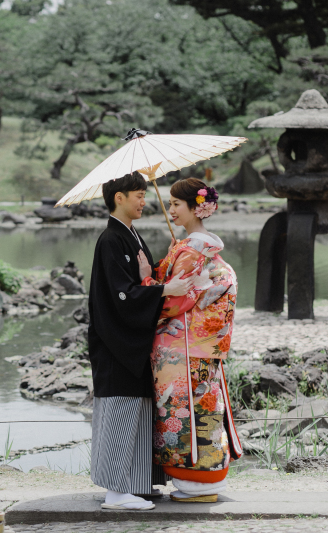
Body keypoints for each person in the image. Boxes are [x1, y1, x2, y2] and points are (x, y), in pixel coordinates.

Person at [88, 171, 194, 511]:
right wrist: (164, 289)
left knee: (138, 410)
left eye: (145, 195)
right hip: (116, 341)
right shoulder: (111, 240)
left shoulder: (129, 235)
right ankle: (115, 492)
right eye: (138, 195)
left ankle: (135, 485)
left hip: (131, 340)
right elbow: (123, 295)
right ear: (118, 197)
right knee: (121, 409)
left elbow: (141, 280)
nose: (144, 201)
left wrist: (167, 265)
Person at [138, 178, 243, 503]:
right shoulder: (200, 247)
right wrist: (172, 257)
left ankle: (195, 481)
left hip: (181, 352)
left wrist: (146, 279)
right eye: (169, 204)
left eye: (176, 204)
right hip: (201, 349)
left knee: (182, 414)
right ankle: (208, 477)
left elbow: (173, 301)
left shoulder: (191, 250)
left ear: (197, 208)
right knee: (205, 409)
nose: (171, 210)